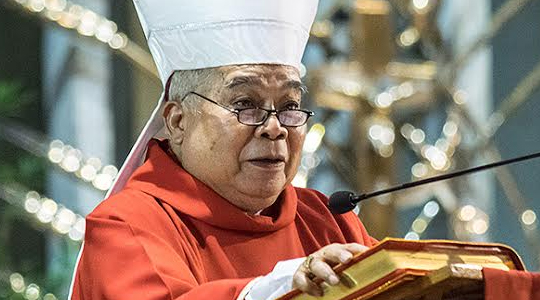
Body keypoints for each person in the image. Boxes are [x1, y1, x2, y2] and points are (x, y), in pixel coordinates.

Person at [69, 1, 378, 299]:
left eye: (289, 106)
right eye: (245, 104)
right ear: (178, 121)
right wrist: (284, 288)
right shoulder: (127, 227)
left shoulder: (327, 221)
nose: (275, 128)